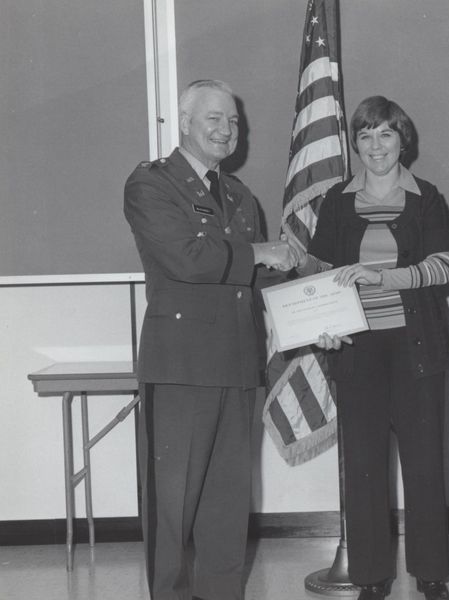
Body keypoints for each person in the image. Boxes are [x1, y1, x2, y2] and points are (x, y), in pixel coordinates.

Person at [124, 79, 296, 600]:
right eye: (213, 119)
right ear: (184, 123)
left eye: (233, 121)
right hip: (181, 369)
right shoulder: (153, 184)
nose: (226, 130)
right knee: (171, 512)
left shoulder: (241, 196)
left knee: (226, 511)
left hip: (239, 366)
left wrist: (312, 313)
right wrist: (263, 253)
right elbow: (188, 259)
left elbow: (260, 283)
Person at [295, 96, 449, 600]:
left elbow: (442, 267)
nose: (375, 145)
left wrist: (381, 277)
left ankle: (430, 574)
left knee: (425, 464)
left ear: (402, 139)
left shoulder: (427, 197)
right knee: (362, 468)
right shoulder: (338, 202)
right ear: (355, 144)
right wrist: (317, 311)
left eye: (385, 134)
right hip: (357, 352)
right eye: (364, 135)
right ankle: (370, 577)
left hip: (418, 348)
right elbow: (318, 269)